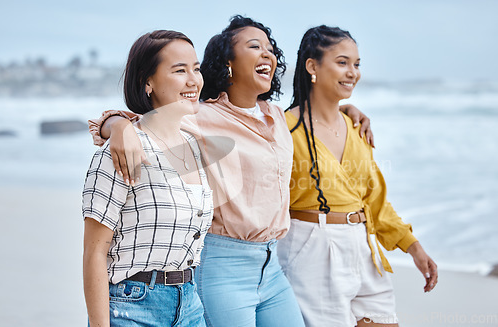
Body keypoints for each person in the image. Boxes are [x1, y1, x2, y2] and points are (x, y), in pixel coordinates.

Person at [87, 16, 372, 327]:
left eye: (269, 47)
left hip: (271, 264)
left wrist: (346, 110)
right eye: (254, 46)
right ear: (228, 64)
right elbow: (148, 120)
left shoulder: (278, 116)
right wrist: (116, 124)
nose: (267, 53)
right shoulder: (203, 117)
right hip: (224, 263)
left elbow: (315, 116)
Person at [277, 25, 438, 327]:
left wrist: (413, 246)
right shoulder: (283, 128)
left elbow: (374, 199)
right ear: (312, 66)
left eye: (357, 64)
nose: (353, 72)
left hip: (363, 246)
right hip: (310, 250)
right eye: (342, 62)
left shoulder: (357, 127)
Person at [82, 30, 213, 327]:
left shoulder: (193, 144)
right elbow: (94, 252)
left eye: (196, 68)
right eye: (180, 70)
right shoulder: (122, 150)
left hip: (190, 304)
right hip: (133, 307)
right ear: (148, 82)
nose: (193, 80)